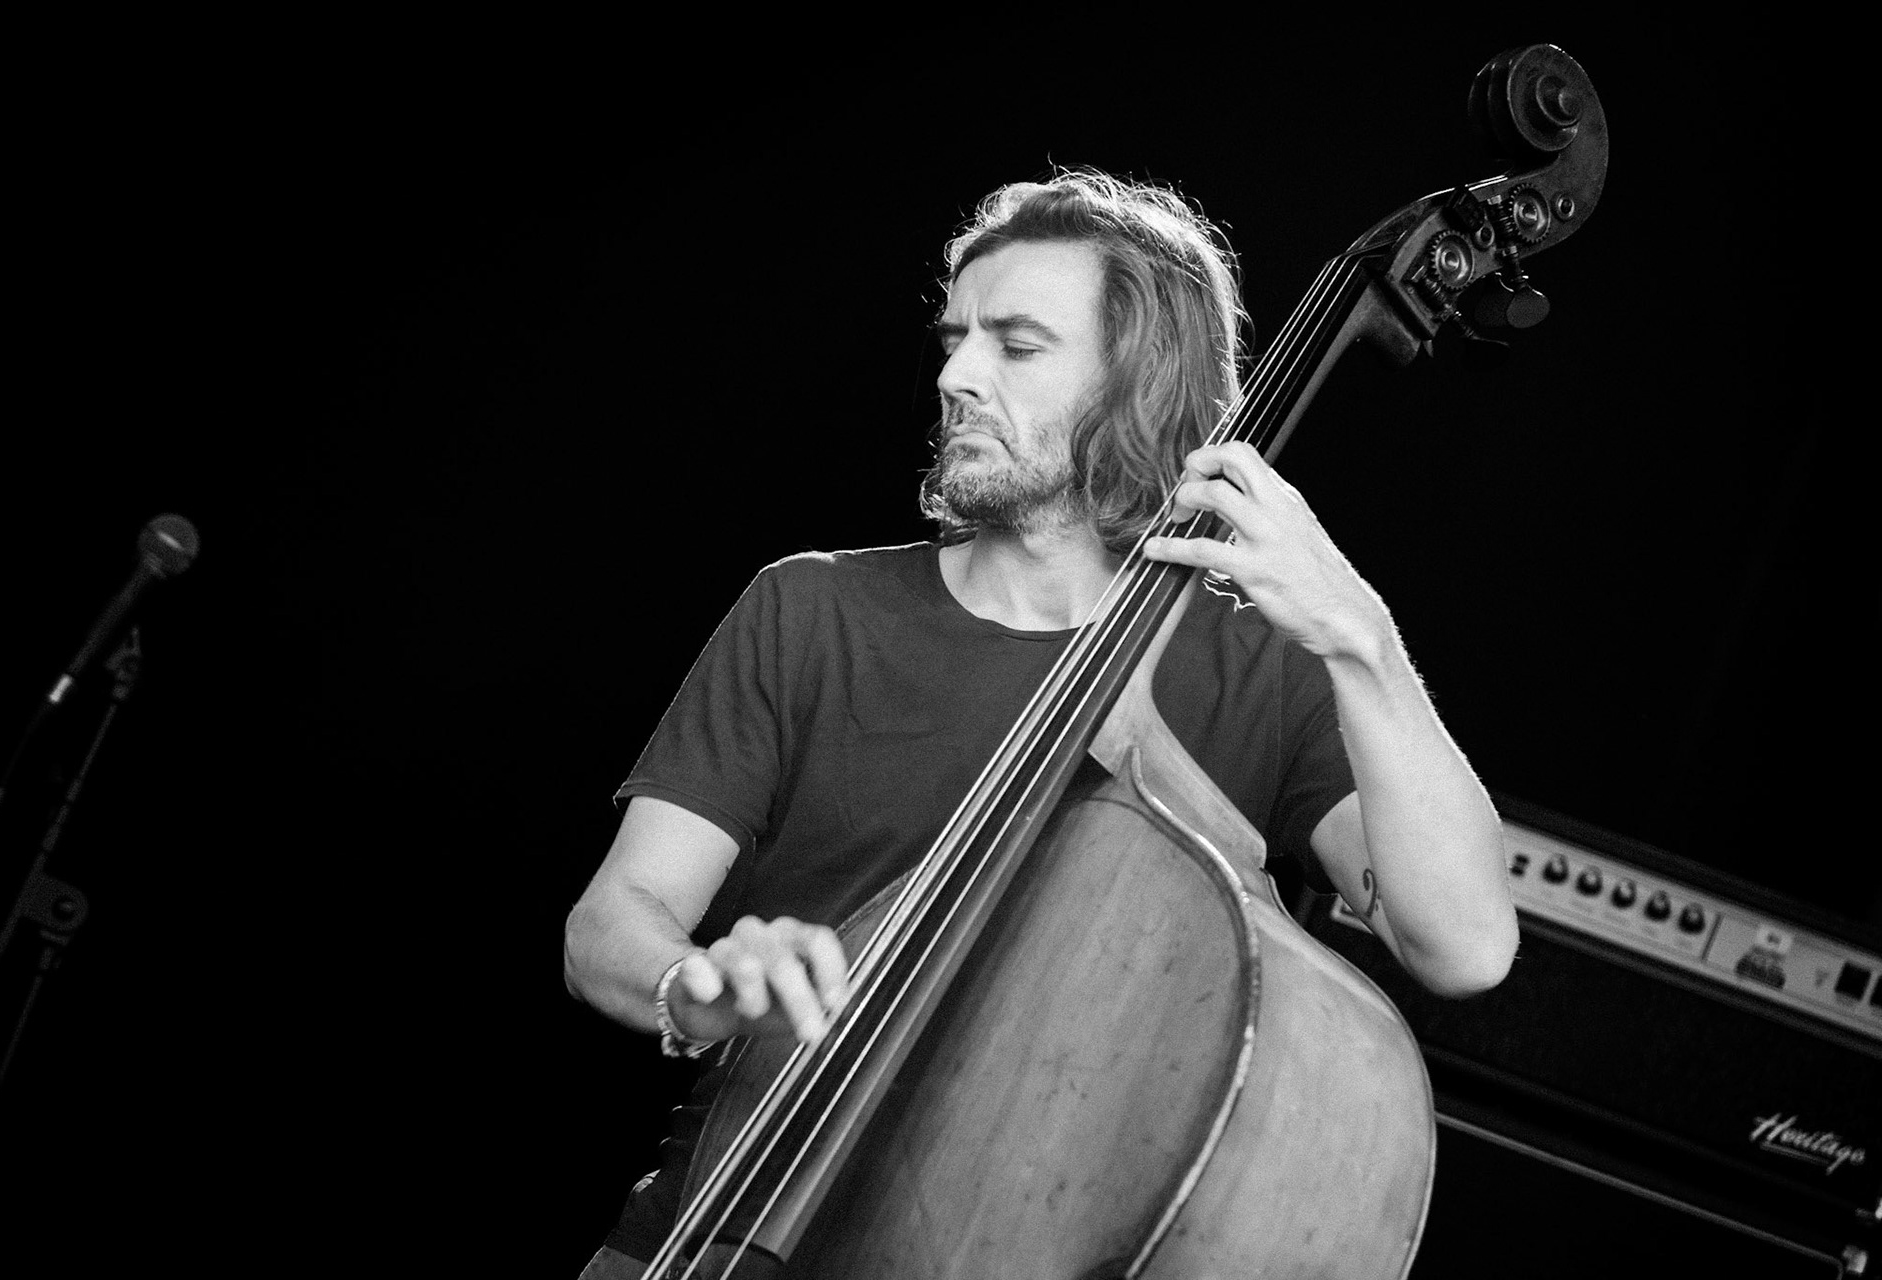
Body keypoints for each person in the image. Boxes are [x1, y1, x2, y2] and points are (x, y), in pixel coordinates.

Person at [563, 170, 1519, 1275]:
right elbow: (610, 924)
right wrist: (693, 983)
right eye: (956, 337)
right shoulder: (812, 608)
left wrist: (1361, 637)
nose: (956, 375)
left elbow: (1464, 943)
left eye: (1014, 345)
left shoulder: (1264, 668)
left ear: (1138, 382)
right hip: (702, 1232)